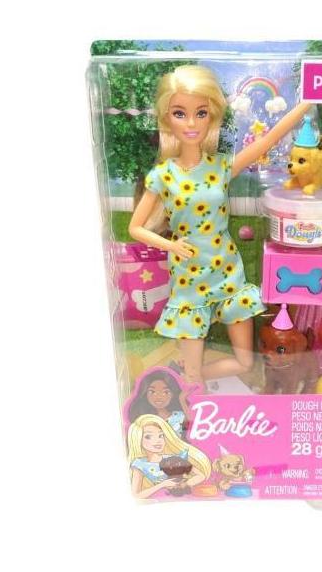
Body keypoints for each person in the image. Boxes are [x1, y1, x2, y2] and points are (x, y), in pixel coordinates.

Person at [129, 65, 311, 383]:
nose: (191, 123)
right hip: (188, 275)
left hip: (227, 270)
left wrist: (309, 100)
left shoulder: (221, 166)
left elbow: (268, 140)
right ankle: (189, 380)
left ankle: (185, 378)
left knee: (245, 362)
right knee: (194, 369)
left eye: (200, 113)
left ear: (211, 115)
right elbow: (136, 228)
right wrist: (171, 245)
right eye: (180, 113)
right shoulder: (163, 175)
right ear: (167, 118)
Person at [127, 414, 211, 499]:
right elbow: (136, 494)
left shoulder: (173, 458)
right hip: (159, 499)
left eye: (161, 436)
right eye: (148, 437)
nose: (158, 441)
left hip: (182, 496)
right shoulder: (140, 464)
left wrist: (185, 484)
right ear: (138, 439)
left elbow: (201, 476)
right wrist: (162, 485)